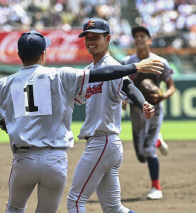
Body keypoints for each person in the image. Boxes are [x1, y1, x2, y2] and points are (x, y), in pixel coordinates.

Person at [0, 30, 163, 213]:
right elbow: (102, 73)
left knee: (15, 209)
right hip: (55, 161)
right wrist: (135, 67)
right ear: (44, 53)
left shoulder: (4, 84)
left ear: (18, 55)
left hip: (23, 160)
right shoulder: (60, 76)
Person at [66, 18, 156, 213]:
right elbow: (75, 96)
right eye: (87, 37)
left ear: (107, 39)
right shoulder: (89, 71)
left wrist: (143, 104)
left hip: (103, 142)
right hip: (104, 144)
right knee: (114, 209)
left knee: (75, 202)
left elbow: (128, 87)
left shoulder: (112, 66)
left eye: (95, 37)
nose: (90, 41)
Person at [121, 25, 175, 200]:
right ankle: (157, 141)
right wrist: (122, 99)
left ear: (150, 40)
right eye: (136, 36)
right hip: (135, 110)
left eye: (143, 36)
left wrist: (162, 96)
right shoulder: (127, 62)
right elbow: (120, 86)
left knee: (148, 150)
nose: (139, 38)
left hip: (155, 110)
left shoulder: (160, 62)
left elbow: (171, 86)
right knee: (141, 156)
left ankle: (156, 188)